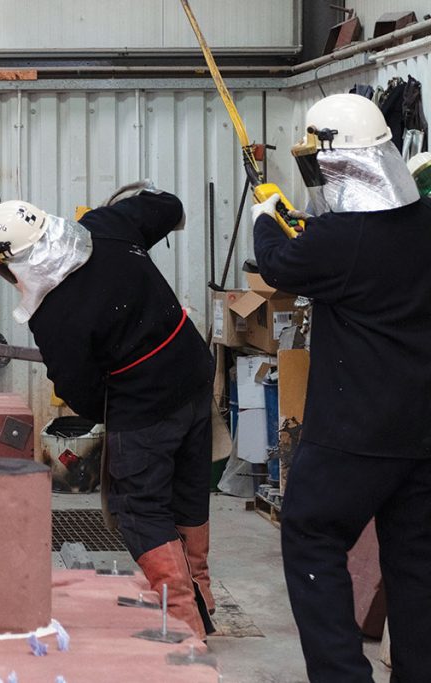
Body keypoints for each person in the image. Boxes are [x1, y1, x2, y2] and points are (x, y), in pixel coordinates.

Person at [0, 186, 214, 640]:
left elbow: (80, 392)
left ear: (12, 266)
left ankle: (186, 624)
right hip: (194, 376)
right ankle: (202, 604)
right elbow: (169, 206)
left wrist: (118, 405)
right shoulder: (106, 227)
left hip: (144, 408)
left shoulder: (54, 315)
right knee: (187, 493)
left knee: (139, 507)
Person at [253, 93, 431, 682]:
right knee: (417, 564)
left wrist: (265, 215)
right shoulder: (422, 221)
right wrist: (306, 231)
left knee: (311, 536)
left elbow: (277, 265)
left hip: (354, 431)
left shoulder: (339, 243)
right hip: (422, 429)